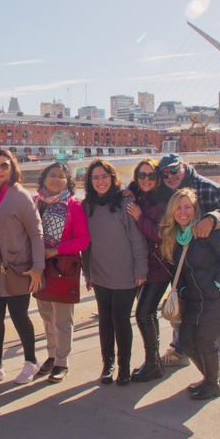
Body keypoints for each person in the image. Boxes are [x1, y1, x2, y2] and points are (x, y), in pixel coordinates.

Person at [155, 153, 220, 370]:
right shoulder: (167, 190)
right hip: (186, 266)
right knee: (182, 312)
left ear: (183, 166)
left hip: (213, 265)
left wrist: (213, 219)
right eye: (164, 173)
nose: (170, 176)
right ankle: (181, 351)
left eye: (174, 170)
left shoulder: (209, 188)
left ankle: (219, 363)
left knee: (215, 320)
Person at [159, 188, 220, 400]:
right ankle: (210, 378)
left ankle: (212, 384)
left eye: (188, 207)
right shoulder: (174, 238)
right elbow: (177, 272)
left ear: (195, 209)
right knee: (188, 340)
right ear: (171, 211)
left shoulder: (208, 231)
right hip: (195, 299)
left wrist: (217, 284)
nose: (183, 212)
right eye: (178, 208)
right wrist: (180, 291)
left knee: (205, 340)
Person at [0, 149, 45, 386]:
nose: (0, 170)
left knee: (19, 316)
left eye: (5, 165)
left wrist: (37, 267)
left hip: (14, 268)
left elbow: (36, 233)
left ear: (13, 167)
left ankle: (31, 361)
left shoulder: (19, 195)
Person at [82, 159, 148, 386]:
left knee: (121, 320)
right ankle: (107, 364)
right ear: (90, 181)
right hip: (100, 273)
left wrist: (141, 269)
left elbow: (137, 239)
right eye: (96, 177)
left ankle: (124, 366)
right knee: (105, 320)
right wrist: (87, 272)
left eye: (104, 176)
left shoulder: (125, 202)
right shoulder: (86, 206)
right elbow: (86, 244)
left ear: (112, 178)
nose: (100, 181)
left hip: (125, 273)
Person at [33, 162, 90, 383]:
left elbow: (83, 239)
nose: (56, 179)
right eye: (52, 175)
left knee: (63, 319)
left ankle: (62, 362)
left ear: (68, 181)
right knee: (46, 314)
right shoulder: (36, 203)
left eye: (61, 176)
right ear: (44, 178)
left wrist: (56, 249)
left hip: (63, 268)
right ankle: (51, 355)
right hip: (41, 267)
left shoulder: (74, 206)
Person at [125, 158, 173, 382]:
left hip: (160, 266)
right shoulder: (139, 197)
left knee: (144, 313)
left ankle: (153, 364)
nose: (146, 179)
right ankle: (153, 361)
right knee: (148, 313)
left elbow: (160, 234)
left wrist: (139, 217)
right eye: (141, 175)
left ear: (158, 179)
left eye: (151, 176)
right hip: (146, 264)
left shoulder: (164, 202)